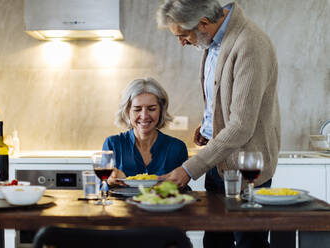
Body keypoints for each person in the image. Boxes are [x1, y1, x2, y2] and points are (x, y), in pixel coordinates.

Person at [156, 0, 280, 247]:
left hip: (246, 171)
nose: (181, 42)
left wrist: (188, 169)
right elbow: (222, 99)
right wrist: (208, 127)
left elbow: (242, 126)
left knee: (249, 243)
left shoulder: (249, 44)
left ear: (203, 23)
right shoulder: (212, 42)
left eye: (183, 35)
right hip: (217, 163)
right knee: (215, 242)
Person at [103, 77, 188, 187]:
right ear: (127, 110)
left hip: (163, 204)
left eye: (151, 109)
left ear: (161, 110)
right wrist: (109, 181)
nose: (144, 116)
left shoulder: (177, 148)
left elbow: (183, 192)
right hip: (123, 204)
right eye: (137, 109)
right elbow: (102, 189)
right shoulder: (112, 144)